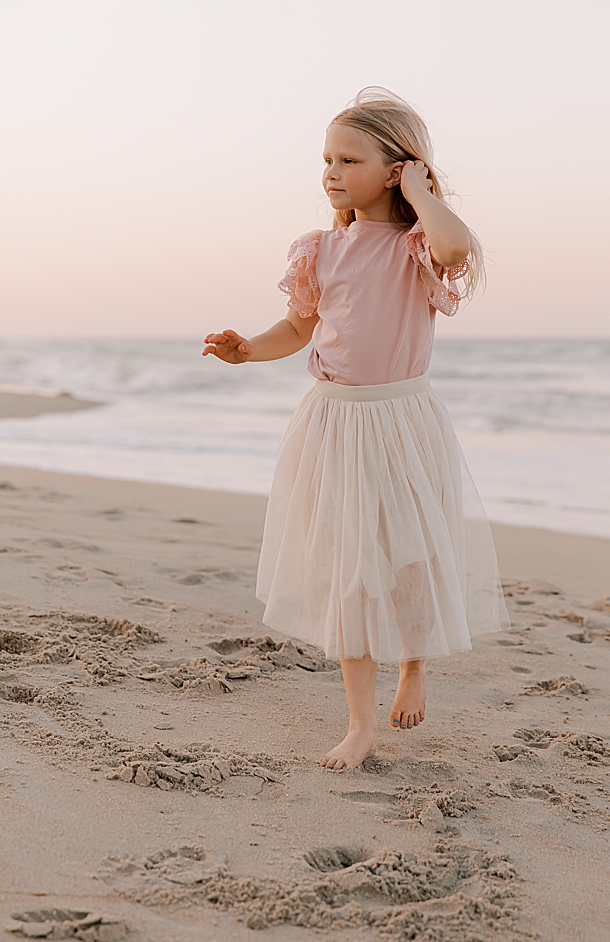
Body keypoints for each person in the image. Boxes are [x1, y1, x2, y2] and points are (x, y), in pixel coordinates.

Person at [203, 88, 508, 769]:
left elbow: (456, 244)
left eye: (348, 159)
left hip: (402, 420)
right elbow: (300, 326)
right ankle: (357, 722)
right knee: (348, 564)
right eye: (326, 159)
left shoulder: (416, 245)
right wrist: (247, 347)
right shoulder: (322, 249)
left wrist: (422, 192)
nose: (331, 173)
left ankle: (414, 665)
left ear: (398, 169)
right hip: (333, 422)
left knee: (409, 556)